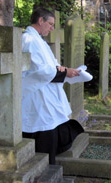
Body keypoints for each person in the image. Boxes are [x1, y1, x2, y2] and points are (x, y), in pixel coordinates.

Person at [21, 8, 84, 164]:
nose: (52, 28)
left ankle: (49, 163)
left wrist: (61, 69)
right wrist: (63, 73)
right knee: (43, 125)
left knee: (52, 123)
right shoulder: (28, 39)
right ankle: (42, 165)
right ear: (40, 21)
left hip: (46, 91)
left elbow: (49, 65)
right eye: (50, 24)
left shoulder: (39, 40)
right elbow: (40, 70)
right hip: (36, 93)